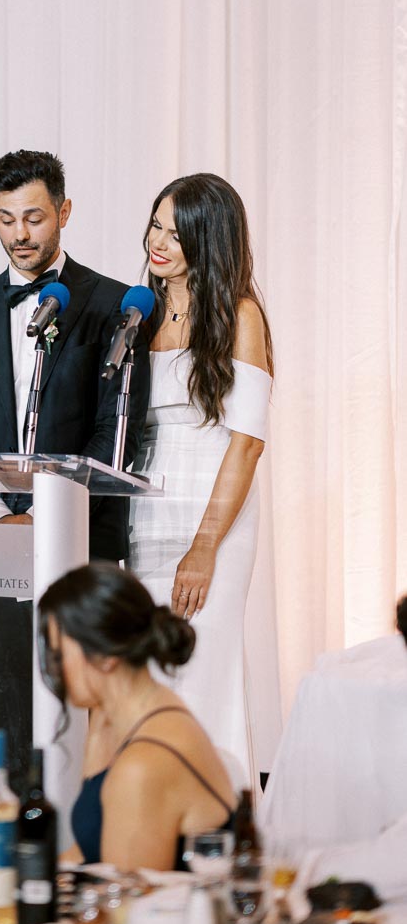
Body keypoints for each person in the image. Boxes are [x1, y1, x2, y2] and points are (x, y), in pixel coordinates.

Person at [0, 149, 150, 792]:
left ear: (64, 212)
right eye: (6, 219)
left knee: (86, 724)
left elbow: (115, 436)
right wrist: (3, 513)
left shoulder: (115, 305)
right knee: (9, 721)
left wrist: (48, 514)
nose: (19, 235)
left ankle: (87, 843)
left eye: (33, 217)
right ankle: (17, 841)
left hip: (83, 547)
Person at [128, 173, 273, 784]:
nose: (158, 242)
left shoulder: (240, 316)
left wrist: (205, 545)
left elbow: (247, 444)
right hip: (144, 512)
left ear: (208, 240)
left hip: (214, 518)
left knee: (203, 674)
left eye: (177, 232)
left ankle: (215, 819)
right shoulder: (140, 313)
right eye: (155, 225)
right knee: (149, 682)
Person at [38, 561, 237, 870]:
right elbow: (88, 849)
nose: (55, 667)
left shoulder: (143, 764)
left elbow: (124, 893)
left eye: (60, 653)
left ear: (105, 656)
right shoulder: (109, 718)